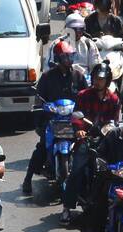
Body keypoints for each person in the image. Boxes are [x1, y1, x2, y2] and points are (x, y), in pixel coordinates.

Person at [22, 42, 85, 196]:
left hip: (73, 121)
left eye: (70, 56)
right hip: (51, 120)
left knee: (85, 148)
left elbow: (85, 96)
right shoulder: (47, 77)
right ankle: (27, 179)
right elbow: (39, 99)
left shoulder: (78, 76)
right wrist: (40, 117)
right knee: (42, 147)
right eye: (65, 57)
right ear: (58, 58)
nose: (69, 60)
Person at [63, 61, 121, 224]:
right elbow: (76, 116)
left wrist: (111, 132)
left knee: (116, 171)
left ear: (107, 80)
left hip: (105, 141)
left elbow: (115, 122)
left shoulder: (114, 100)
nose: (98, 82)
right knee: (75, 172)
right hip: (86, 138)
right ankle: (67, 208)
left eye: (101, 79)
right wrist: (79, 130)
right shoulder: (83, 95)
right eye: (96, 78)